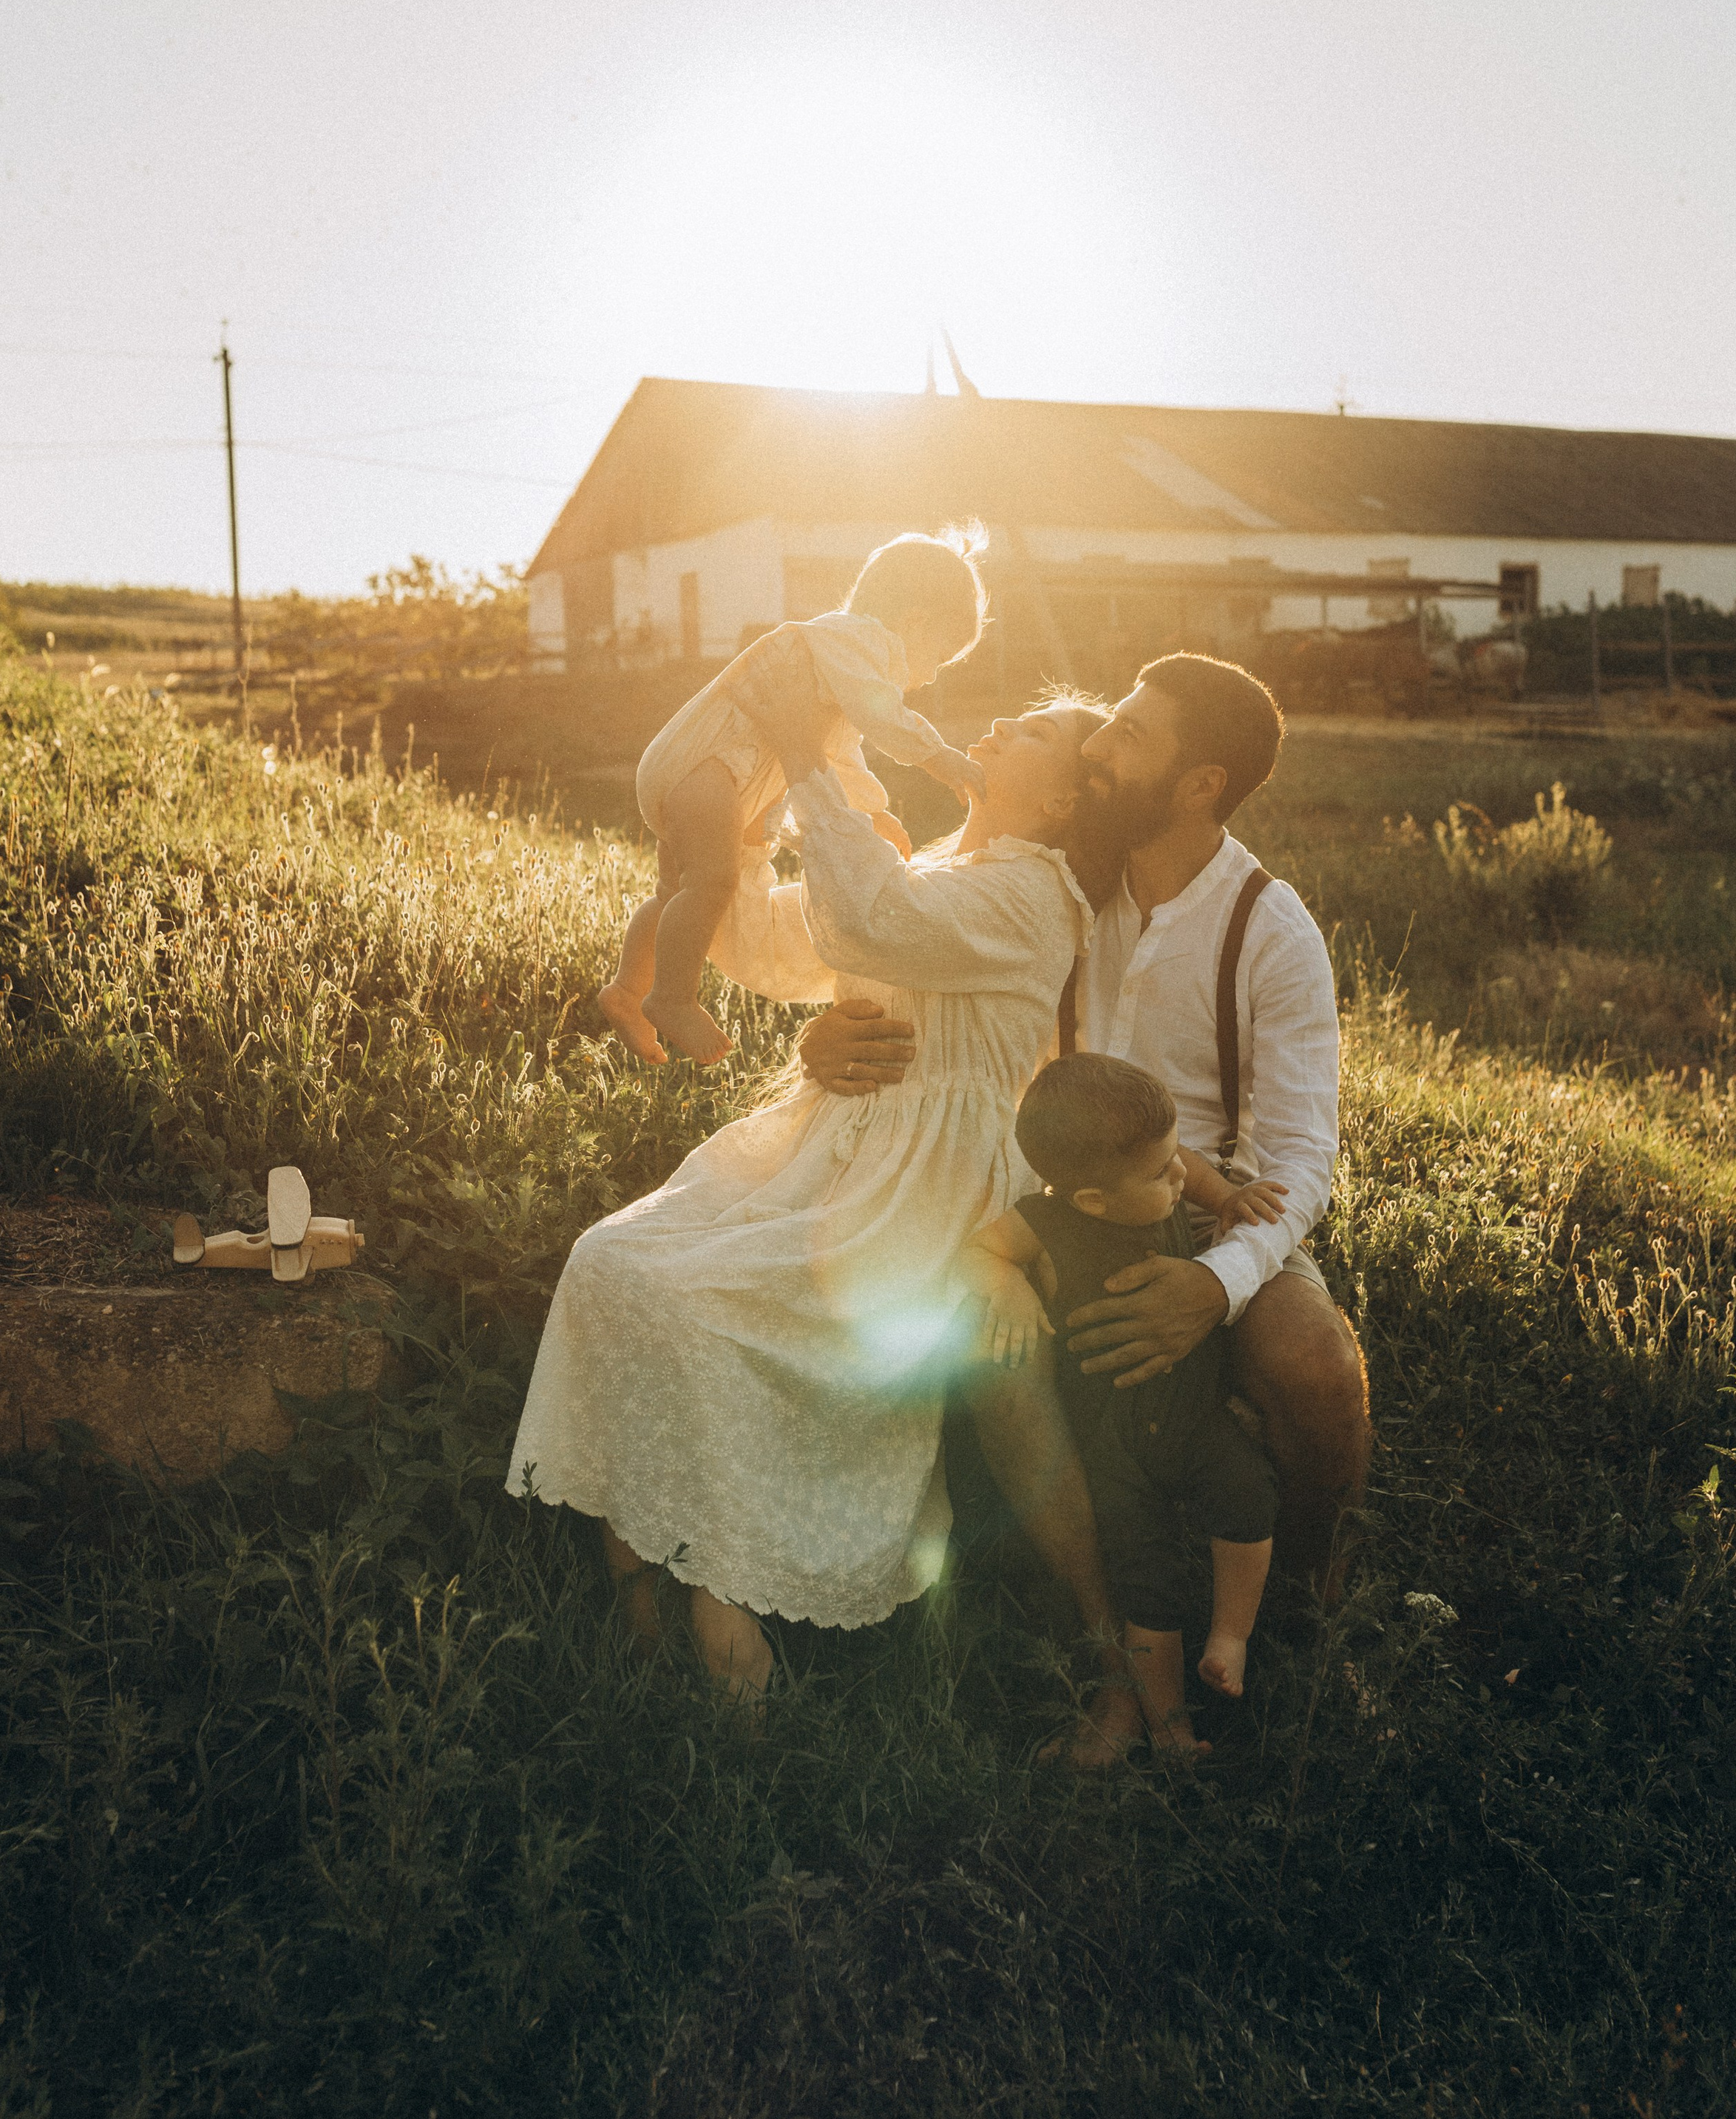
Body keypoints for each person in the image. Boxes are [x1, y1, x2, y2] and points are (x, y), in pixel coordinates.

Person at [509, 660, 1126, 1706]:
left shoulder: (1035, 894)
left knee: (700, 1306)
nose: (1001, 721)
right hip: (837, 1146)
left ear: (1064, 802)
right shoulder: (932, 862)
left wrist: (806, 754)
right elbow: (776, 946)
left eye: (1034, 732)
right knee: (613, 1262)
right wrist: (737, 832)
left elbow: (874, 921)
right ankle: (646, 1588)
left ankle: (721, 1591)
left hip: (925, 1189)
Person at [800, 654, 1369, 1618]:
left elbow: (1302, 1158)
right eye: (1110, 723)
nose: (1098, 747)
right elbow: (912, 951)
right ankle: (1069, 1607)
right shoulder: (1052, 876)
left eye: (1130, 736)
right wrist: (826, 1037)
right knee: (987, 1335)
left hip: (1208, 1204)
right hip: (1041, 1186)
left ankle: (1309, 1592)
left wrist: (1215, 1282)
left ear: (1199, 785)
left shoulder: (1271, 930)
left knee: (1312, 1358)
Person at [961, 1054, 1283, 1754]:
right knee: (1145, 1583)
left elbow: (1191, 1165)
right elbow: (977, 1250)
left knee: (1249, 1497)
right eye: (1163, 1173)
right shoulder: (1046, 1223)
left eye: (1177, 1160)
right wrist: (1006, 1281)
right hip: (1116, 1446)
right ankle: (1169, 1726)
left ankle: (1231, 1636)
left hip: (1193, 1418)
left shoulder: (1160, 1183)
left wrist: (1228, 1198)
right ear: (1093, 1202)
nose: (1181, 1178)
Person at [600, 532, 991, 1066]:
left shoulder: (838, 656)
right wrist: (938, 756)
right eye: (940, 658)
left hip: (706, 773)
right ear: (915, 623)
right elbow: (882, 715)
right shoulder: (856, 640)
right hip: (706, 766)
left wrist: (871, 812)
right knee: (714, 881)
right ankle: (672, 997)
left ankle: (627, 990)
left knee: (677, 892)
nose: (930, 678)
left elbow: (837, 753)